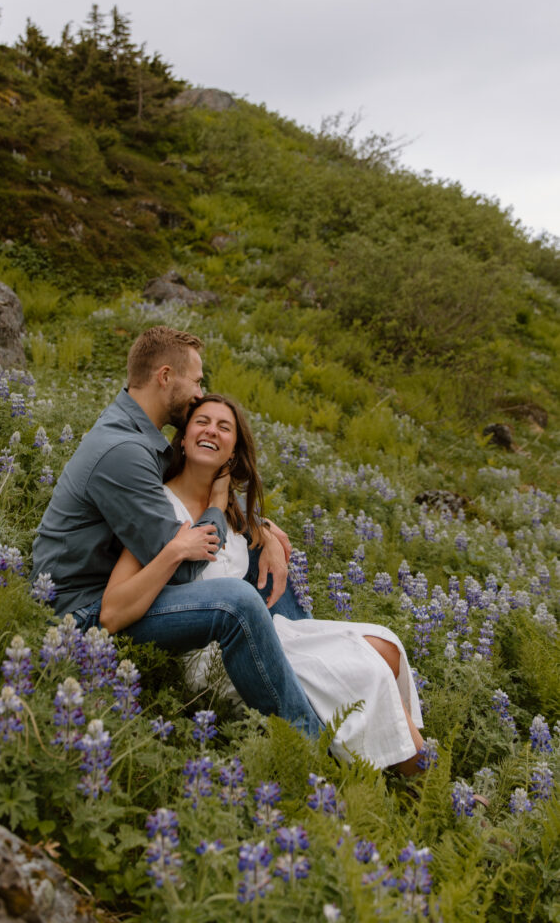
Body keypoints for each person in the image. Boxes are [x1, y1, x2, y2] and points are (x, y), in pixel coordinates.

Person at [101, 394, 426, 774]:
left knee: (386, 646)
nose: (211, 431)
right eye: (202, 422)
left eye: (225, 427)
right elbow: (113, 609)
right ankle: (425, 784)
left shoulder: (230, 509)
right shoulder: (159, 506)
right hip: (218, 654)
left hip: (266, 630)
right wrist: (174, 550)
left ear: (233, 453)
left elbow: (240, 533)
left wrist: (262, 529)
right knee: (366, 671)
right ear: (184, 440)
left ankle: (397, 761)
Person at [31, 326, 322, 739]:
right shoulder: (125, 452)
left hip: (128, 587)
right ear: (165, 376)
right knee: (235, 601)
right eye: (197, 382)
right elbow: (185, 566)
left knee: (255, 550)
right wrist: (219, 504)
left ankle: (304, 665)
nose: (201, 395)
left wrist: (261, 527)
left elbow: (183, 505)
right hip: (86, 615)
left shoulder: (135, 433)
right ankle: (307, 739)